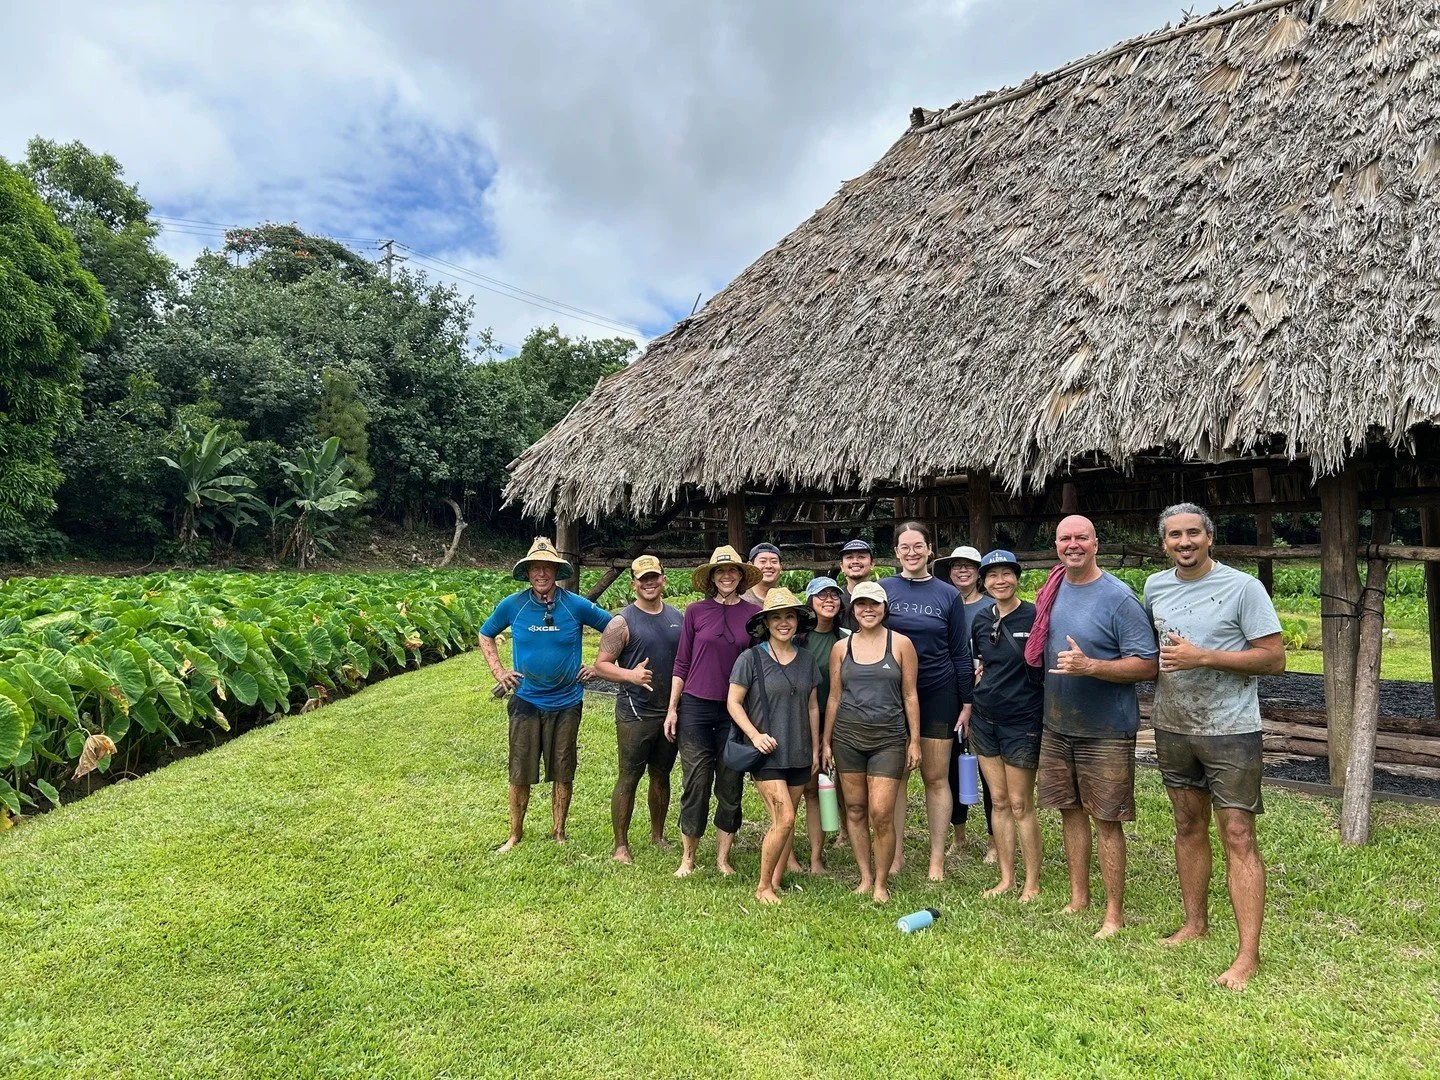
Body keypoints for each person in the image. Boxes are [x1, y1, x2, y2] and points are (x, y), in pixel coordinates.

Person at [1145, 503, 1284, 990]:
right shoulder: (1155, 587)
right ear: (1164, 543)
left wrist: (1202, 656)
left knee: (1239, 834)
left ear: (1209, 537)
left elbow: (1273, 659)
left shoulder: (1243, 588)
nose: (1184, 543)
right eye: (1174, 536)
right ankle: (1194, 923)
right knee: (1186, 824)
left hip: (1231, 728)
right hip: (1173, 724)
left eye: (1193, 534)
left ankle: (1248, 955)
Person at [1040, 515, 1158, 938]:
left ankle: (1114, 912)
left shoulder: (1118, 598)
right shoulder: (1052, 590)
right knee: (1069, 811)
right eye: (1065, 538)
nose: (1073, 545)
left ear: (1096, 543)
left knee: (1107, 819)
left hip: (1105, 729)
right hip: (1056, 723)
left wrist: (1091, 666)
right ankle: (1078, 896)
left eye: (1081, 538)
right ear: (1056, 545)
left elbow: (1147, 664)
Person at [479, 537, 616, 852]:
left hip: (567, 702)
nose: (542, 573)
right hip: (526, 701)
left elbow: (615, 628)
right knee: (520, 771)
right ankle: (515, 834)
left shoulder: (576, 604)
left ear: (557, 571)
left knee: (563, 769)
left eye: (548, 567)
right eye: (535, 568)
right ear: (527, 572)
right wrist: (499, 672)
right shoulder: (513, 604)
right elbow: (486, 633)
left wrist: (600, 667)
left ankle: (559, 831)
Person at [881, 521, 974, 881]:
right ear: (896, 552)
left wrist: (966, 700)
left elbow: (959, 653)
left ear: (930, 549)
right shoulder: (884, 589)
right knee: (898, 776)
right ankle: (897, 853)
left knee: (936, 777)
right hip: (892, 694)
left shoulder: (947, 594)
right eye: (904, 547)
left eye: (918, 546)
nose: (912, 552)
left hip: (939, 690)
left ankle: (937, 858)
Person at [665, 545, 762, 877]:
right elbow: (682, 662)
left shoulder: (752, 614)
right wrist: (672, 708)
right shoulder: (695, 611)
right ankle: (688, 857)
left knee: (731, 782)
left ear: (740, 576)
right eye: (721, 571)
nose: (726, 576)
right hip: (695, 706)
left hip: (734, 710)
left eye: (732, 571)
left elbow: (758, 663)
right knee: (696, 781)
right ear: (711, 577)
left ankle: (723, 858)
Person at [821, 581, 921, 902]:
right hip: (847, 737)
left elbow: (910, 695)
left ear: (884, 608)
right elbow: (834, 697)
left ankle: (882, 882)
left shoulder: (901, 644)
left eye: (874, 604)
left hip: (889, 739)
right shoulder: (841, 649)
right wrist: (825, 742)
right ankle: (865, 876)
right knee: (854, 809)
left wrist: (915, 740)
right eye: (861, 604)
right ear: (853, 609)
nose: (868, 610)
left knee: (881, 812)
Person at [727, 588, 823, 905]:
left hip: (798, 751)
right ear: (766, 623)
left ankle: (777, 882)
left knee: (787, 820)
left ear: (798, 621)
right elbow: (733, 703)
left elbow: (812, 707)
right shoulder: (750, 659)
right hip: (766, 753)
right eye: (777, 617)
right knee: (785, 820)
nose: (784, 623)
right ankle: (763, 887)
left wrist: (814, 749)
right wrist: (754, 735)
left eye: (790, 616)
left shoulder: (808, 661)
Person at [592, 555, 684, 865]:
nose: (649, 583)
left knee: (661, 775)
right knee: (629, 776)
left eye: (654, 577)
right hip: (635, 712)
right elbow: (601, 665)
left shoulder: (678, 618)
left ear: (663, 580)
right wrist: (630, 675)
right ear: (633, 584)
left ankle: (657, 835)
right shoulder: (622, 622)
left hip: (668, 711)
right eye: (642, 579)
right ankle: (621, 845)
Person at [968, 549, 1045, 901]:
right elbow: (979, 661)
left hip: (1022, 721)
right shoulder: (982, 620)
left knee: (1019, 804)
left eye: (1007, 574)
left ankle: (1031, 882)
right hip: (985, 719)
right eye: (992, 575)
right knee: (997, 800)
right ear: (983, 582)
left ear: (1017, 578)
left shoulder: (1036, 617)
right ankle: (1006, 877)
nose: (1000, 581)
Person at [934, 544, 996, 861]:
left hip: (986, 694)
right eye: (957, 565)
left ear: (978, 573)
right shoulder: (943, 603)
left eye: (969, 566)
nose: (962, 571)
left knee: (988, 769)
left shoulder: (991, 607)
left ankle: (993, 840)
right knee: (952, 766)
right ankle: (958, 836)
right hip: (950, 692)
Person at [793, 576, 848, 871]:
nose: (829, 601)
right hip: (797, 720)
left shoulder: (845, 637)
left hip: (836, 718)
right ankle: (788, 855)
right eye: (821, 596)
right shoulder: (796, 637)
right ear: (810, 602)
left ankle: (819, 854)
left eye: (834, 596)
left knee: (820, 785)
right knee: (797, 787)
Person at [836, 538, 876, 631]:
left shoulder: (884, 596)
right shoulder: (836, 600)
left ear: (872, 564)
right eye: (849, 557)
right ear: (842, 566)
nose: (855, 561)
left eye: (861, 557)